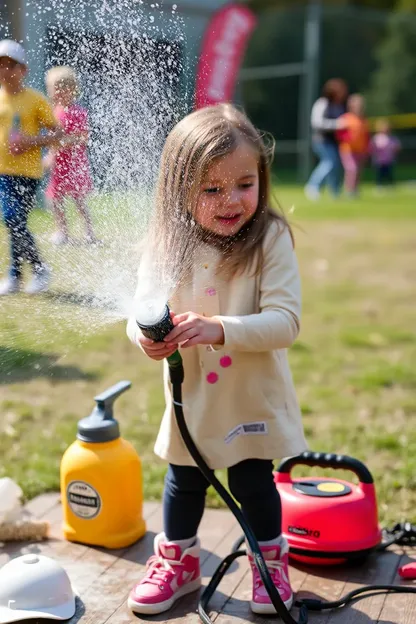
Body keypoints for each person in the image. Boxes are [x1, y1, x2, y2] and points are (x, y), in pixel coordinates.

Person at [126, 103, 307, 616]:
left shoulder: (269, 238)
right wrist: (146, 337)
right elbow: (138, 308)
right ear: (179, 189)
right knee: (183, 478)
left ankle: (269, 560)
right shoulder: (166, 242)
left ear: (262, 176)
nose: (232, 200)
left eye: (244, 184)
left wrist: (216, 328)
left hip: (250, 395)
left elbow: (286, 322)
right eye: (212, 189)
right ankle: (179, 563)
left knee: (253, 480)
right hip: (192, 396)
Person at [0, 40, 63, 295]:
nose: (5, 71)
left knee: (14, 220)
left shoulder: (35, 99)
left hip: (28, 174)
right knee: (15, 221)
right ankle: (21, 274)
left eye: (10, 66)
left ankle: (30, 271)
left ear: (23, 70)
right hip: (3, 171)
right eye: (1, 66)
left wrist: (30, 141)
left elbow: (57, 134)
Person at [44, 65, 96, 245]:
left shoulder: (78, 112)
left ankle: (89, 232)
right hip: (59, 164)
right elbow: (52, 139)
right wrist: (49, 156)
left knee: (78, 199)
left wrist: (63, 142)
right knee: (54, 198)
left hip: (74, 164)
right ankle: (62, 231)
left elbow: (83, 137)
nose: (50, 92)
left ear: (68, 90)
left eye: (53, 89)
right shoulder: (53, 111)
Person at [305, 78, 348, 200]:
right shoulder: (322, 103)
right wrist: (337, 124)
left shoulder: (339, 105)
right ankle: (313, 186)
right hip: (322, 140)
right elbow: (316, 122)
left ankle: (334, 191)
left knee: (334, 165)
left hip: (334, 141)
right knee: (329, 163)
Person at [337, 94, 370, 197]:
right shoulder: (346, 118)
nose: (359, 108)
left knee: (358, 171)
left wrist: (367, 147)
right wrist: (348, 138)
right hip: (348, 150)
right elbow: (340, 133)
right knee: (352, 169)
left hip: (360, 150)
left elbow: (366, 135)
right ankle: (349, 190)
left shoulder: (363, 119)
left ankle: (355, 189)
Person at [369, 118, 401, 190]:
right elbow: (372, 148)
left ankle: (391, 185)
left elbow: (397, 147)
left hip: (389, 159)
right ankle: (379, 185)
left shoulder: (392, 137)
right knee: (379, 174)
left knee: (389, 173)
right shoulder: (377, 137)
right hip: (379, 160)